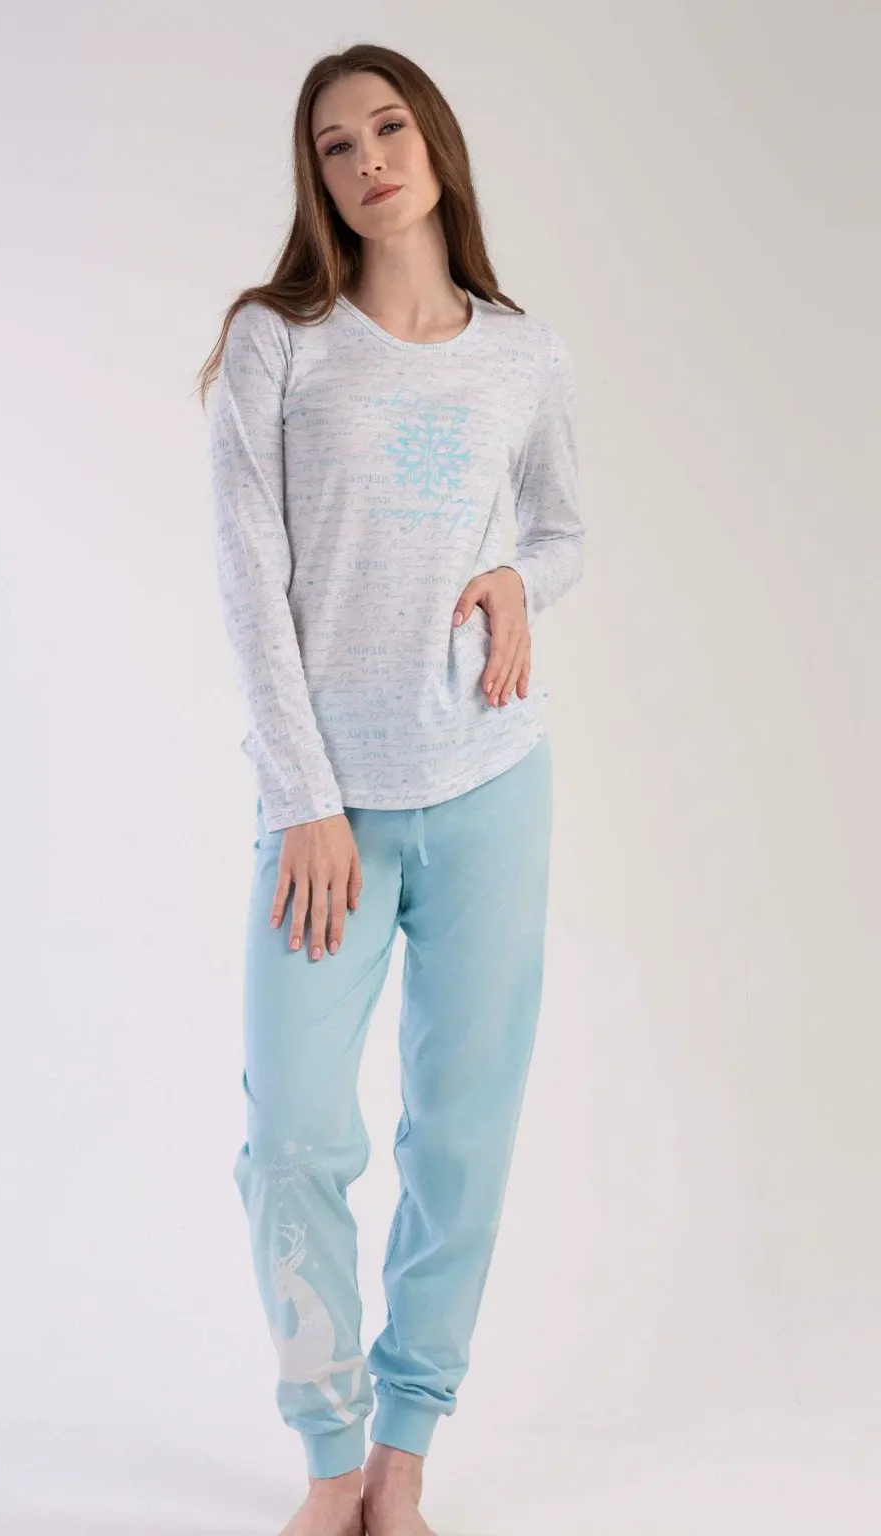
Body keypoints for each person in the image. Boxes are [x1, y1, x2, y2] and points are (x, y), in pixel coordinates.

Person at [198, 41, 584, 1536]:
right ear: (318, 181)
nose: (368, 159)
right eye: (336, 145)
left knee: (461, 1132)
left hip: (491, 784)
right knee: (294, 1134)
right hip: (329, 814)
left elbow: (563, 529)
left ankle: (405, 1456)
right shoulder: (277, 342)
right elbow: (251, 577)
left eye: (389, 127)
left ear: (436, 143)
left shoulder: (522, 353)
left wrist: (520, 580)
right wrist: (306, 798)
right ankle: (328, 1458)